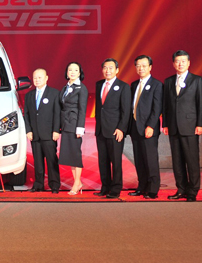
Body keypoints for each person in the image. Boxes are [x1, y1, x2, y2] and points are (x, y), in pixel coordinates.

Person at [162, 50, 202, 202]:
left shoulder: (197, 80)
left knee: (191, 160)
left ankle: (193, 190)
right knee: (177, 161)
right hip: (173, 126)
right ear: (173, 63)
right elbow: (166, 104)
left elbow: (201, 103)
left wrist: (200, 124)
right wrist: (166, 123)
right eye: (177, 61)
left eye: (183, 61)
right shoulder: (169, 81)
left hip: (190, 125)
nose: (180, 64)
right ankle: (181, 189)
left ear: (188, 63)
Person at [93, 58, 131, 199]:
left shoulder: (123, 86)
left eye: (110, 68)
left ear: (117, 70)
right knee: (103, 161)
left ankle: (115, 189)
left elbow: (126, 110)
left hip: (115, 130)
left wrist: (121, 128)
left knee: (115, 161)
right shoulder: (99, 85)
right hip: (101, 129)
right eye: (105, 68)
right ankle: (105, 187)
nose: (107, 70)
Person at [127, 55, 163, 199]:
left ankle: (153, 189)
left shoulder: (156, 84)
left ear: (150, 67)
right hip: (135, 127)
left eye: (144, 65)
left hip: (149, 128)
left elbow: (157, 108)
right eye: (138, 66)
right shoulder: (134, 84)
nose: (141, 68)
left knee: (150, 159)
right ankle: (142, 187)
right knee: (139, 160)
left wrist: (150, 126)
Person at [23, 68, 62, 194]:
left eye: (40, 77)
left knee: (52, 161)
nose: (37, 80)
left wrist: (56, 130)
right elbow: (26, 114)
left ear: (46, 78)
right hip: (34, 135)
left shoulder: (54, 93)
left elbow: (57, 113)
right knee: (38, 162)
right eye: (35, 78)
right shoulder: (29, 95)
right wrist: (28, 130)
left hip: (49, 134)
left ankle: (54, 185)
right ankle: (38, 184)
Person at [58, 62, 88, 195]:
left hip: (75, 124)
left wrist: (80, 127)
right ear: (67, 72)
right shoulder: (66, 87)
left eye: (76, 70)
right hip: (66, 124)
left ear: (80, 73)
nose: (72, 72)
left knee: (75, 154)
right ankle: (77, 181)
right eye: (70, 70)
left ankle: (77, 183)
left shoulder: (82, 88)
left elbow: (82, 109)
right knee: (70, 155)